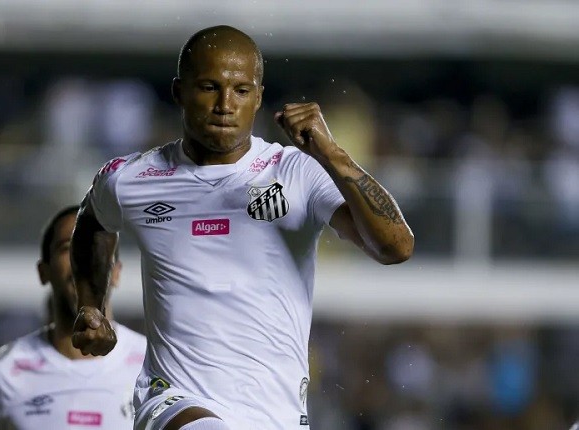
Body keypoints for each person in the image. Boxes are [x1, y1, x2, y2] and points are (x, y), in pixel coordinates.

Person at [70, 25, 414, 430]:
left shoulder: (297, 173)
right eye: (209, 88)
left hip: (275, 413)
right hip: (172, 400)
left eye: (241, 91)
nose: (225, 105)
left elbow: (396, 247)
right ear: (180, 92)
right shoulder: (132, 178)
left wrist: (332, 154)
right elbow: (92, 221)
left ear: (259, 98)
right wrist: (91, 306)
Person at [0, 205, 146, 429]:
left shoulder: (152, 363)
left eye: (94, 248)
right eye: (67, 248)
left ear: (116, 272)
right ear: (43, 271)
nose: (82, 259)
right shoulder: (4, 372)